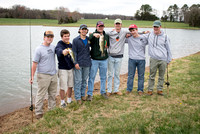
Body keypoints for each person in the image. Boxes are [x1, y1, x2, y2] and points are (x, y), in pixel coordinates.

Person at [29, 31, 57, 119]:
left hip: (53, 75)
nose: (49, 38)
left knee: (52, 94)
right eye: (48, 36)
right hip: (43, 75)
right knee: (41, 94)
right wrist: (32, 76)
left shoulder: (53, 47)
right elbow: (34, 63)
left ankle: (52, 109)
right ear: (44, 37)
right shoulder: (39, 49)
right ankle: (38, 112)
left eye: (51, 37)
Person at [106, 18, 132, 96]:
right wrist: (92, 33)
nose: (118, 25)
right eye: (116, 24)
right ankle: (109, 90)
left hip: (119, 57)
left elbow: (134, 32)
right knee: (110, 74)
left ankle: (116, 89)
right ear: (114, 25)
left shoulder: (124, 32)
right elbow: (101, 33)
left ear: (121, 25)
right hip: (110, 56)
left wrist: (144, 32)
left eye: (119, 24)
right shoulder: (110, 32)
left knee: (117, 74)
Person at [146, 20, 172, 96]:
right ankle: (150, 90)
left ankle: (159, 90)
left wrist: (169, 60)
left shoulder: (166, 37)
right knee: (151, 75)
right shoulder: (149, 35)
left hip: (163, 59)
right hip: (153, 59)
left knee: (161, 76)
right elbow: (139, 34)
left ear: (160, 27)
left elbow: (169, 49)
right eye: (154, 26)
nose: (155, 28)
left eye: (157, 27)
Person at [87, 21, 110, 101]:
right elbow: (88, 40)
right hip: (94, 60)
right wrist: (93, 35)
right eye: (99, 26)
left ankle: (103, 92)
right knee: (91, 77)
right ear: (96, 27)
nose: (100, 27)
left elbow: (108, 45)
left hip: (104, 59)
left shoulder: (106, 35)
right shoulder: (93, 35)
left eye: (102, 26)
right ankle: (90, 94)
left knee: (103, 77)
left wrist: (106, 46)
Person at [126, 24, 147, 95]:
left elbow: (150, 36)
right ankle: (129, 89)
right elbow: (120, 35)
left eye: (134, 30)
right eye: (131, 31)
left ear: (137, 30)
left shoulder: (144, 38)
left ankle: (140, 89)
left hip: (141, 59)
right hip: (132, 59)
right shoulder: (129, 38)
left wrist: (143, 32)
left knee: (141, 75)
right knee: (130, 75)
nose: (132, 32)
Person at [72, 24, 91, 104]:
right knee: (78, 81)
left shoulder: (89, 39)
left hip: (87, 63)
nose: (84, 30)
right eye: (82, 29)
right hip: (78, 64)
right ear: (79, 30)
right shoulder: (75, 40)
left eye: (85, 29)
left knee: (84, 80)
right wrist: (75, 63)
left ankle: (83, 95)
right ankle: (77, 97)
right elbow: (74, 52)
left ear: (87, 30)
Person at [55, 29, 74, 108]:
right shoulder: (59, 44)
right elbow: (58, 51)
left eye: (68, 36)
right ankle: (62, 102)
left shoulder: (71, 45)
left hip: (71, 68)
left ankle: (69, 99)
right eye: (65, 36)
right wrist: (63, 52)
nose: (67, 38)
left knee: (70, 85)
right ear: (62, 37)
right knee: (63, 86)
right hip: (63, 69)